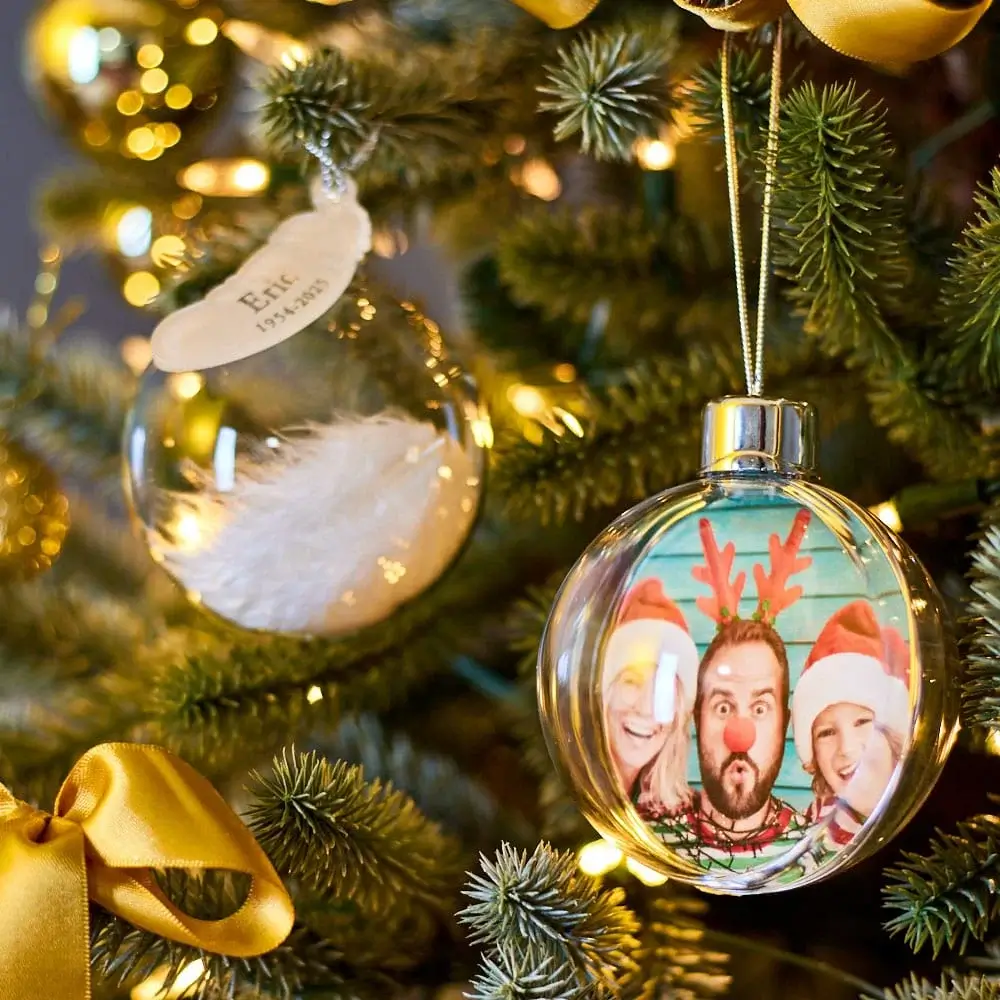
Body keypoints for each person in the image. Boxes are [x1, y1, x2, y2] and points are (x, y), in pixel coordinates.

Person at [654, 511, 813, 872]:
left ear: (785, 724)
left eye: (760, 709)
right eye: (724, 708)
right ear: (697, 715)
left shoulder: (813, 849)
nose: (740, 736)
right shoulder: (658, 844)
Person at [792, 600, 910, 848]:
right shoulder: (808, 830)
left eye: (862, 722)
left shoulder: (920, 812)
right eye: (826, 732)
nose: (846, 748)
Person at [602, 577, 699, 819]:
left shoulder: (677, 818)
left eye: (663, 689)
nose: (647, 709)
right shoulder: (584, 790)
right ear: (605, 692)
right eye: (632, 682)